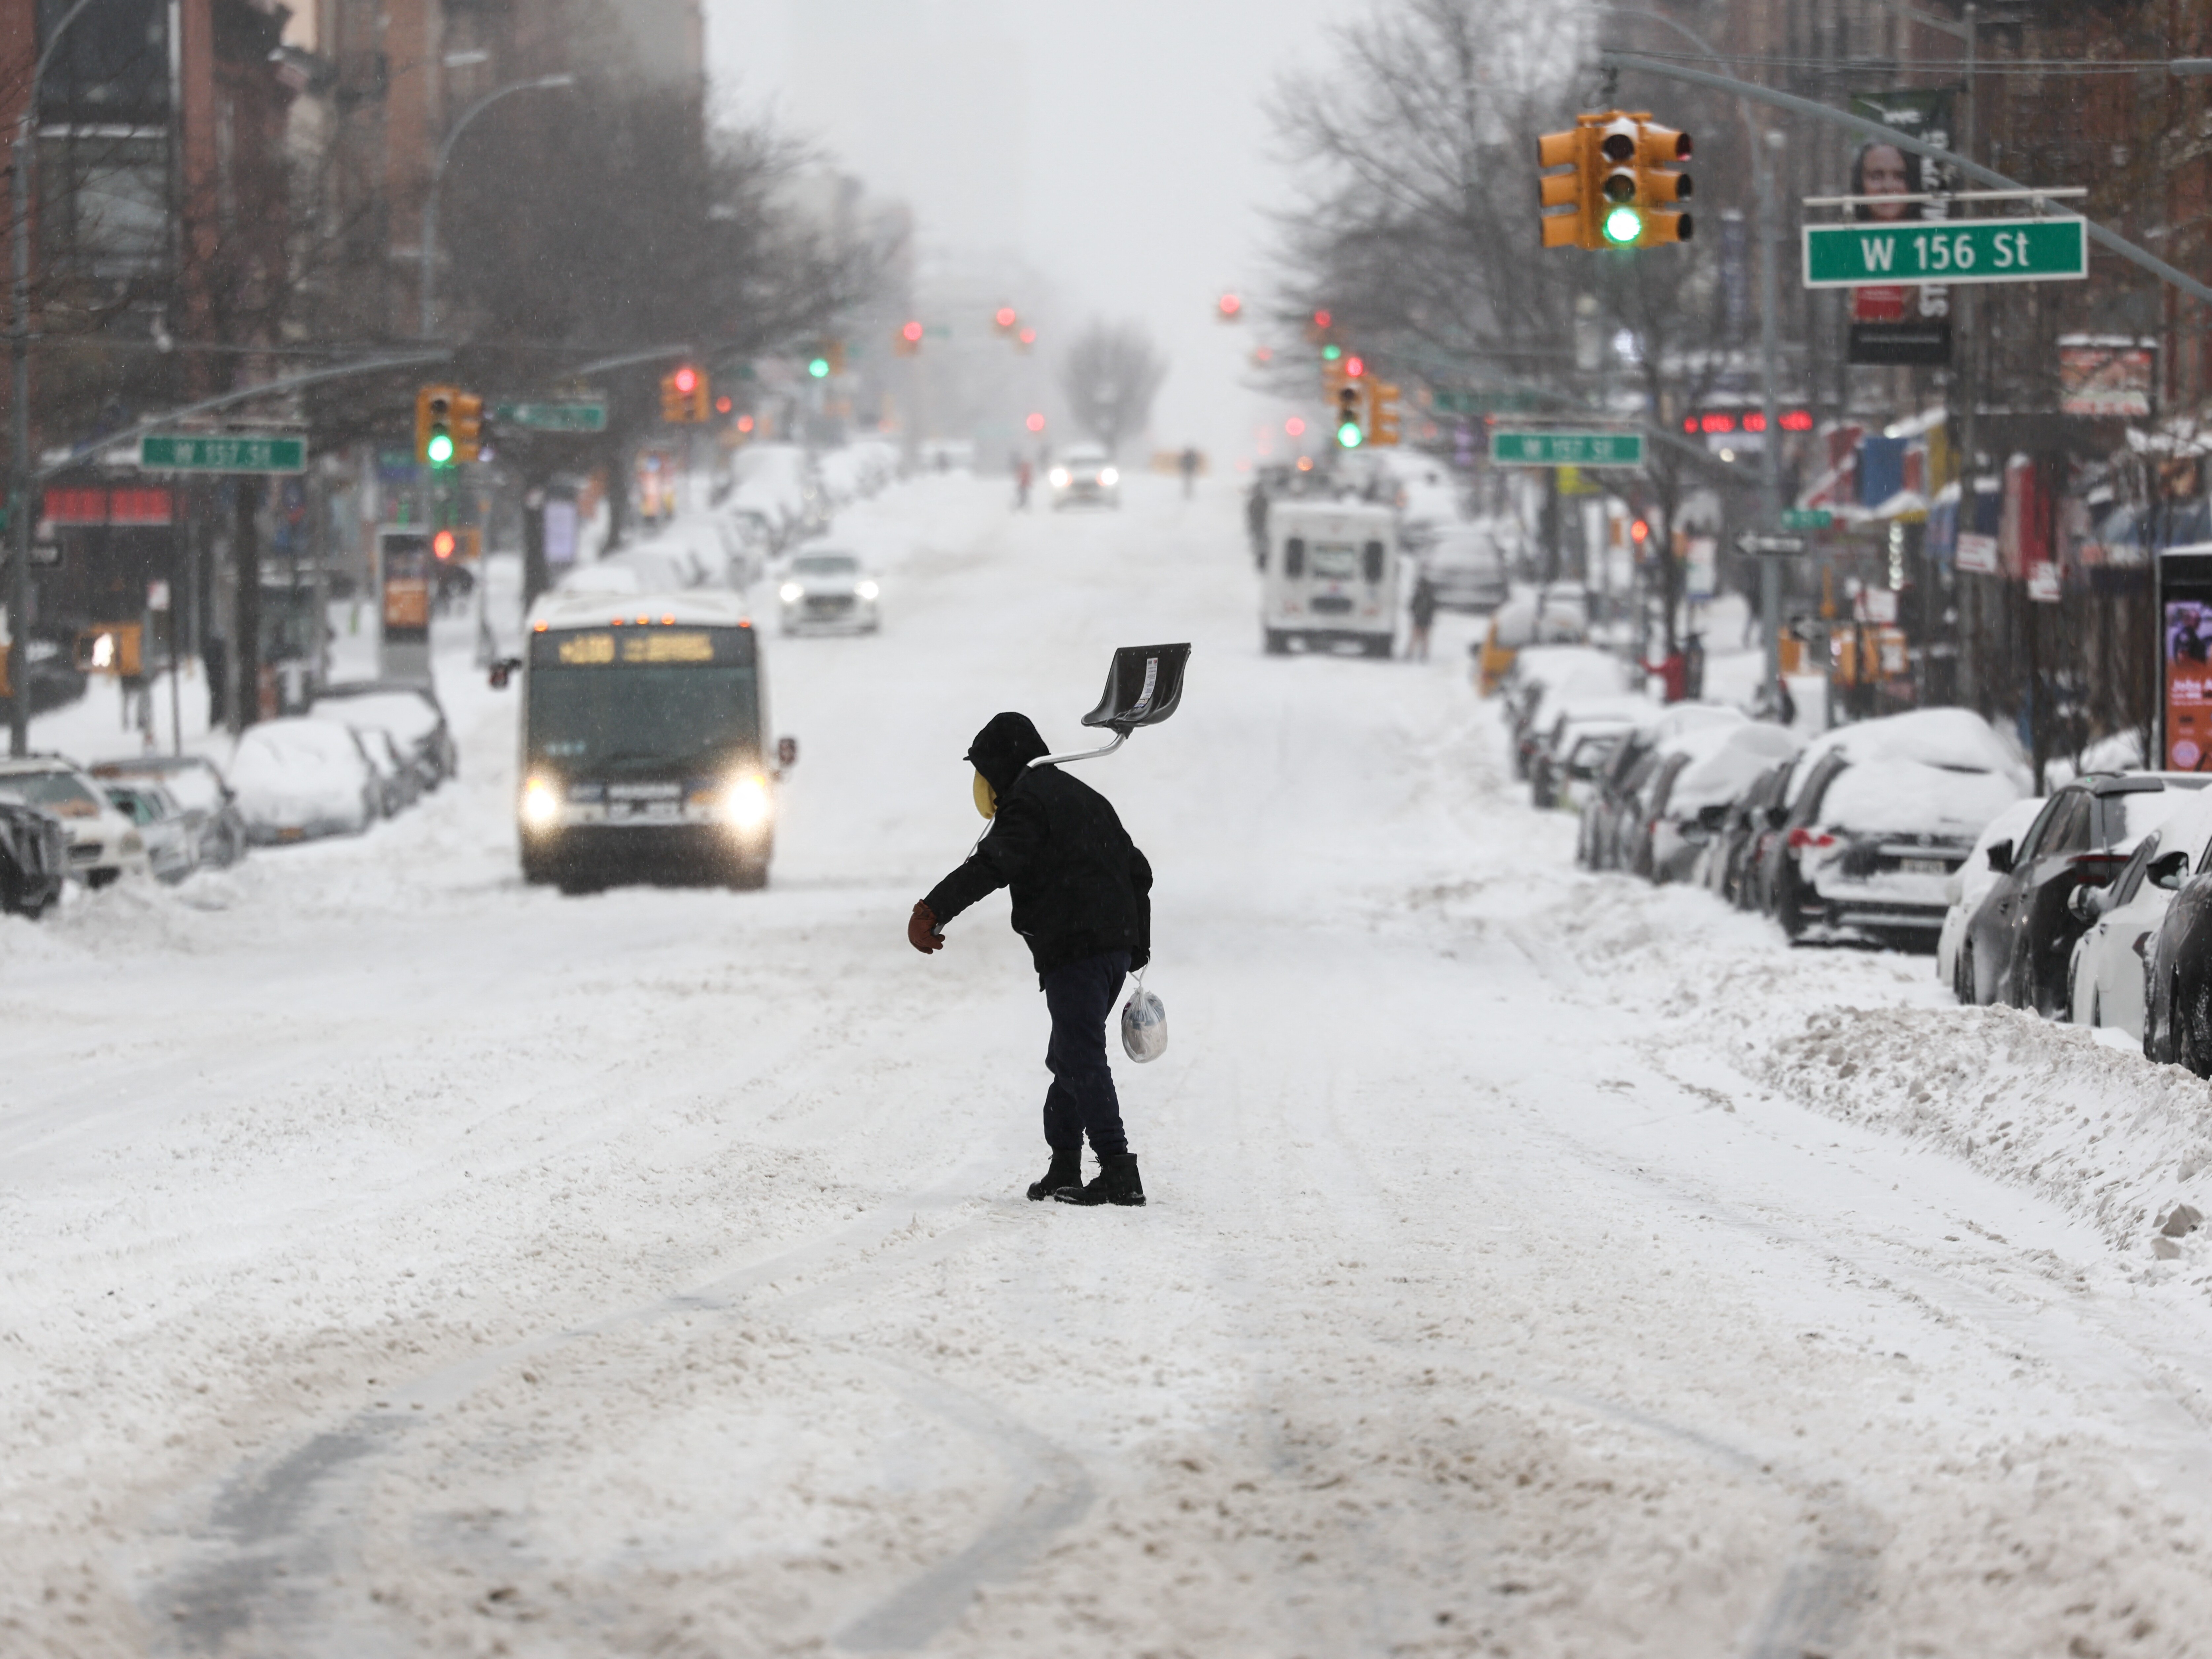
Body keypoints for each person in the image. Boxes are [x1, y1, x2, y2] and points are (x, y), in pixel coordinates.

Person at [908, 713, 1154, 1207]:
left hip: (1076, 949)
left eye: (983, 772)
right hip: (1110, 948)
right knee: (1068, 1053)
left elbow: (992, 864)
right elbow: (1138, 869)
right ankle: (1065, 1163)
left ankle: (1118, 1169)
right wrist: (1136, 943)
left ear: (999, 767)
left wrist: (933, 908)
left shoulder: (1028, 803)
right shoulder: (1086, 797)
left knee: (1080, 1055)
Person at [1407, 573, 1438, 662]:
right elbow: (1433, 608)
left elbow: (1412, 606)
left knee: (1417, 638)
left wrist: (1416, 613)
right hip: (1424, 620)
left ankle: (1413, 653)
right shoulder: (1429, 596)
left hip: (1420, 619)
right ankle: (1422, 654)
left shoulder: (1420, 596)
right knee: (1423, 639)